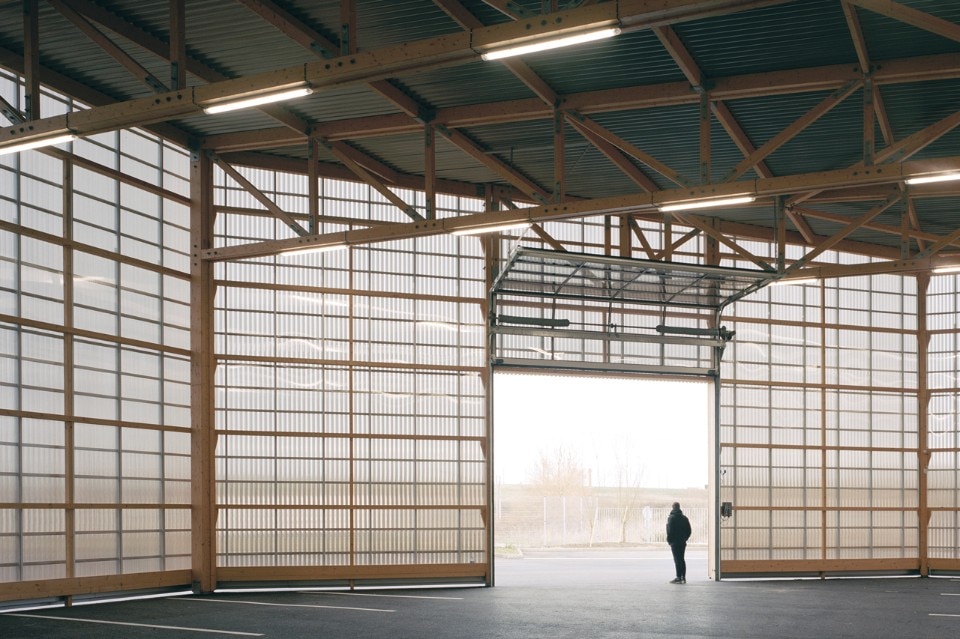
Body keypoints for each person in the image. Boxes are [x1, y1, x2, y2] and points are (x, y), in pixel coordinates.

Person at [666, 501, 691, 584]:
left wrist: (670, 541)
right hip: (682, 542)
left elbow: (669, 531)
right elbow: (689, 530)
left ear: (673, 508)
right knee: (682, 559)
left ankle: (678, 577)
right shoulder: (685, 518)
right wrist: (685, 538)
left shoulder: (671, 518)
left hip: (675, 543)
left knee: (677, 560)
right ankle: (683, 577)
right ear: (679, 507)